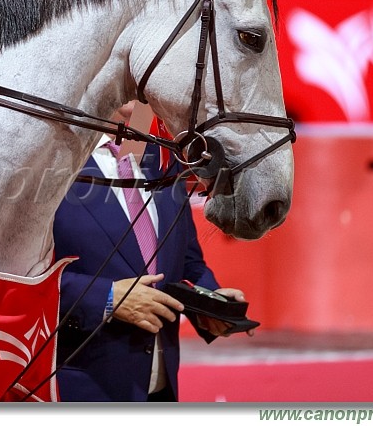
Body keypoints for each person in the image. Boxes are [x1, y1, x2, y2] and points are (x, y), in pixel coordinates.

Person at [53, 103, 252, 402]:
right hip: (82, 392)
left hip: (161, 391)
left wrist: (210, 301)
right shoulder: (53, 162)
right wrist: (107, 298)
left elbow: (188, 261)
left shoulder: (164, 159)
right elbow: (18, 281)